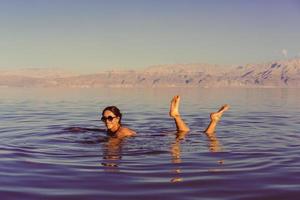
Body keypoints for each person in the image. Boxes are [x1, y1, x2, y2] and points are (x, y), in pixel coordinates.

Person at [101, 95, 229, 138]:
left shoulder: (121, 132)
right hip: (153, 135)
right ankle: (214, 121)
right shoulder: (112, 131)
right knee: (194, 134)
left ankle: (176, 115)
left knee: (186, 134)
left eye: (110, 118)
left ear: (117, 118)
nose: (107, 121)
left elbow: (114, 143)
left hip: (154, 138)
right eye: (104, 118)